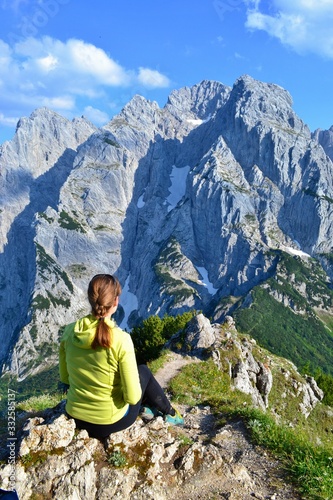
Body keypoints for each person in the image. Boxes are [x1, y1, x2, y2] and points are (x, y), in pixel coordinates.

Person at [59, 273, 183, 439]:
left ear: (90, 299)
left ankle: (158, 410)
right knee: (143, 371)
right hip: (109, 423)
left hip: (75, 417)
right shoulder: (121, 339)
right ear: (115, 302)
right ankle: (171, 413)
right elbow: (132, 398)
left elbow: (65, 378)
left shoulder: (69, 331)